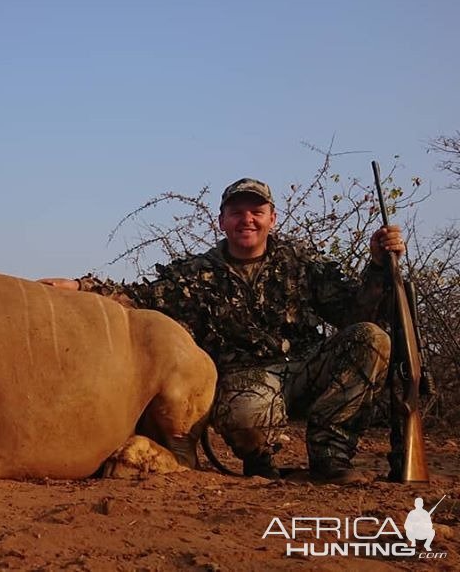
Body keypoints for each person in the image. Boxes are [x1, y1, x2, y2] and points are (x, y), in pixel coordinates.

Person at [41, 178, 404, 483]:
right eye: (236, 212)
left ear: (272, 219)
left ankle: (331, 457)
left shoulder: (301, 262)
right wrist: (78, 286)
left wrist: (376, 266)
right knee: (245, 415)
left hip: (306, 367)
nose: (247, 219)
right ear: (222, 221)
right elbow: (141, 295)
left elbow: (353, 314)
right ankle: (259, 462)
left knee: (371, 339)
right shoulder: (198, 272)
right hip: (246, 379)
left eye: (256, 212)